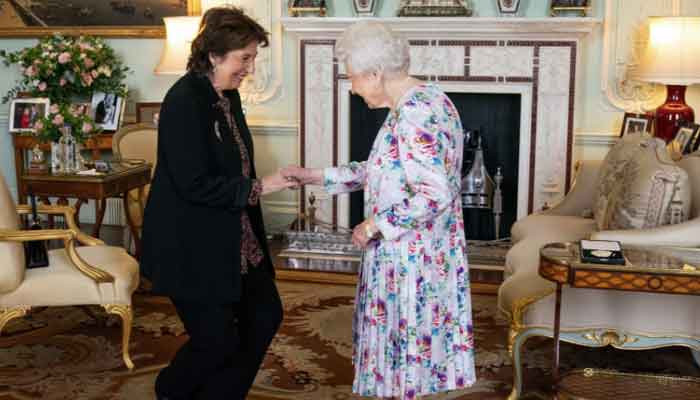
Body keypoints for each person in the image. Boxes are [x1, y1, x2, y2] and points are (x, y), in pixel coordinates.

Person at [282, 21, 476, 399]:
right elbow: (381, 171)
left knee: (406, 353)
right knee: (410, 358)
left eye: (353, 78)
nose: (352, 88)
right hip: (420, 252)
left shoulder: (414, 113)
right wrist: (313, 175)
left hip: (410, 258)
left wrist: (374, 225)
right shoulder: (425, 100)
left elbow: (436, 194)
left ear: (375, 74)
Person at [140, 7, 296, 400]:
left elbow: (234, 164)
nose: (250, 68)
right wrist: (263, 186)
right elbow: (194, 184)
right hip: (189, 244)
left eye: (253, 58)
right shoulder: (183, 101)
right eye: (244, 58)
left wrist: (253, 190)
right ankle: (171, 389)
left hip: (233, 233)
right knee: (216, 341)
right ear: (214, 55)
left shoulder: (226, 96)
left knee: (265, 316)